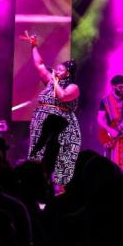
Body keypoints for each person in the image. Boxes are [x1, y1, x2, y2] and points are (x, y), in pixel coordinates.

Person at [23, 31, 81, 187]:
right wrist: (34, 45)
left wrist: (55, 81)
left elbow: (62, 96)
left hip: (59, 125)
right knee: (37, 152)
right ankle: (33, 183)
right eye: (58, 68)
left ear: (68, 73)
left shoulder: (73, 87)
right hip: (40, 122)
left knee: (52, 155)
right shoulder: (51, 81)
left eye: (61, 69)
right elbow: (39, 64)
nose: (57, 70)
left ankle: (52, 186)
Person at [98, 74, 123, 172]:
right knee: (113, 166)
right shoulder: (105, 101)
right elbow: (100, 119)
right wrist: (110, 130)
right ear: (113, 86)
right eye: (120, 87)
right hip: (113, 137)